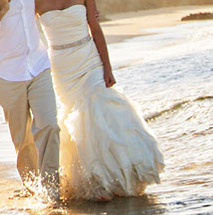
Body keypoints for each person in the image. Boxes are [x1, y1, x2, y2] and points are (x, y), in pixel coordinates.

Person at [36, 0, 163, 201]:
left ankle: (118, 177)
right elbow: (18, 26)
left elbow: (95, 29)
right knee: (76, 116)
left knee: (99, 105)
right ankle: (94, 182)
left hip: (89, 58)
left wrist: (108, 67)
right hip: (62, 68)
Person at [0, 0, 61, 202]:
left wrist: (86, 12)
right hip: (4, 72)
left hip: (38, 64)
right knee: (23, 137)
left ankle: (52, 191)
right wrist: (0, 11)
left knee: (49, 125)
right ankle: (33, 188)